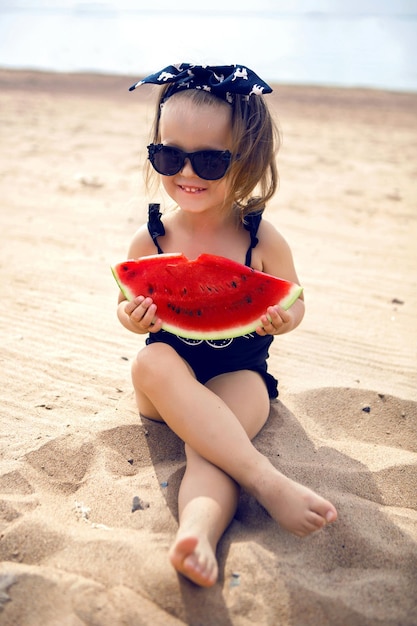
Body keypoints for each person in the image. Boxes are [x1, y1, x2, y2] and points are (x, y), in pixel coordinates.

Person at [117, 64, 338, 587]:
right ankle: (266, 479)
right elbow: (126, 307)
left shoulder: (262, 239)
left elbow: (294, 299)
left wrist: (283, 320)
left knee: (209, 452)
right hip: (166, 385)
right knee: (151, 359)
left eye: (211, 160)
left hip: (241, 374)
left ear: (247, 161)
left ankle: (195, 532)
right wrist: (132, 318)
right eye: (170, 156)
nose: (188, 174)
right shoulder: (149, 241)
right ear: (155, 153)